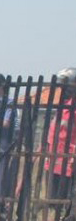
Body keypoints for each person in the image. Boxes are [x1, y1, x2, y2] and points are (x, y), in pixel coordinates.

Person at [45, 67, 76, 199]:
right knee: (52, 199)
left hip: (69, 162)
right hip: (53, 160)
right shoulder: (61, 108)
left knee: (65, 200)